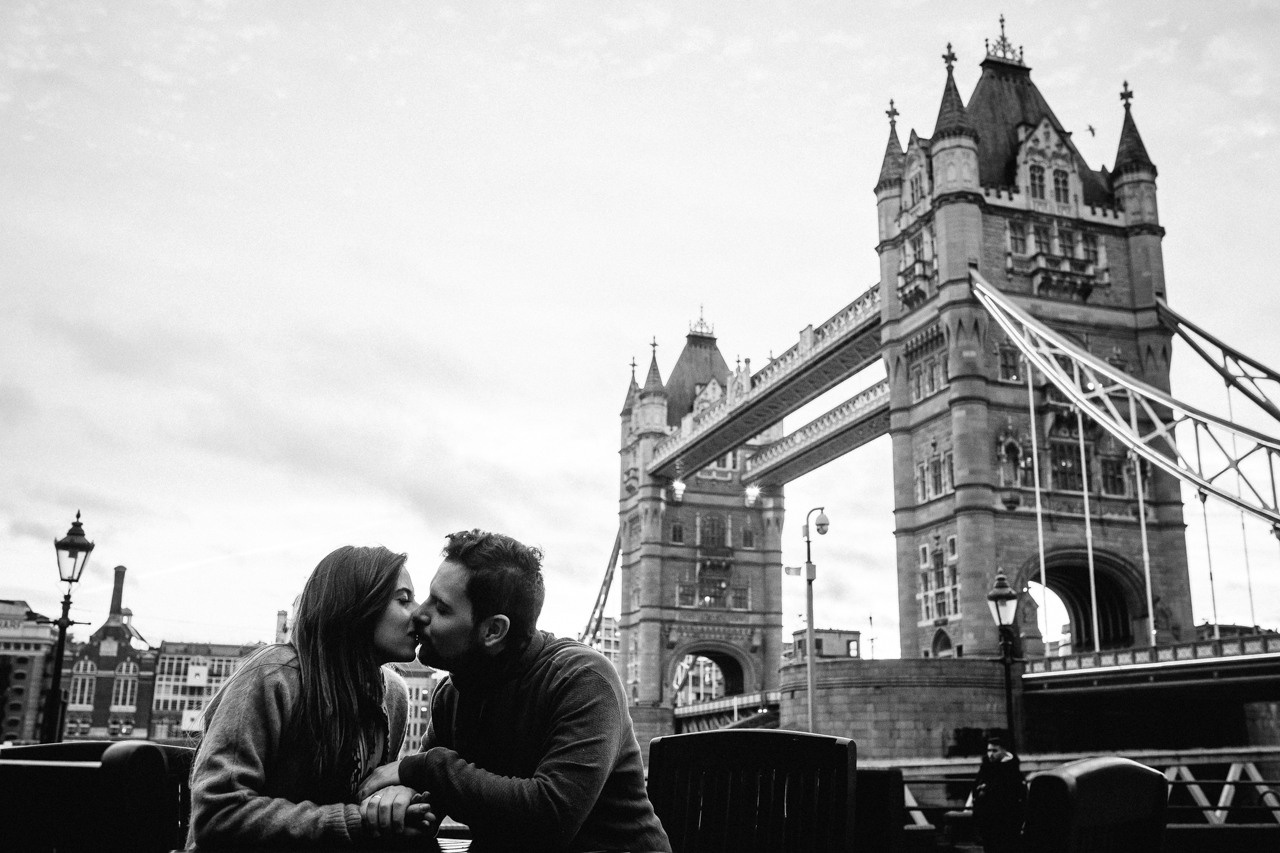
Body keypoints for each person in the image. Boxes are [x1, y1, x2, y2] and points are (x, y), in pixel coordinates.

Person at [358, 529, 671, 853]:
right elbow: (435, 796)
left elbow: (550, 816)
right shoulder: (452, 694)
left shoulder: (584, 680)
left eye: (442, 608)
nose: (420, 614)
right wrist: (408, 802)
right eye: (428, 597)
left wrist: (422, 771)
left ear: (493, 630)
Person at [188, 545, 426, 849]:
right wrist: (357, 823)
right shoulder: (273, 676)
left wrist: (398, 809)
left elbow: (368, 802)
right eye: (403, 599)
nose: (419, 612)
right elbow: (218, 815)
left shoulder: (393, 694)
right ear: (356, 607)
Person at [971, 735, 1026, 853]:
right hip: (987, 819)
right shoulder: (986, 767)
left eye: (994, 750)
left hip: (1005, 821)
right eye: (989, 750)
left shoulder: (1010, 770)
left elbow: (1012, 794)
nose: (990, 754)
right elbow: (976, 787)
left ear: (1004, 751)